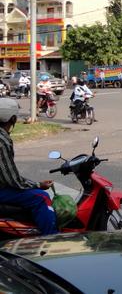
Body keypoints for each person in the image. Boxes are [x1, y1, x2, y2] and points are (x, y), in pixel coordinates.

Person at [0, 99, 57, 235]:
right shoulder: (2, 141)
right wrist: (37, 185)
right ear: (12, 118)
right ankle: (52, 238)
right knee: (41, 197)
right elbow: (13, 180)